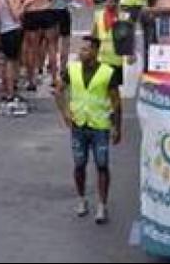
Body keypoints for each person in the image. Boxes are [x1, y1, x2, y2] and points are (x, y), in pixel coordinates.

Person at [55, 37, 121, 225]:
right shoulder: (72, 69)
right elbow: (59, 90)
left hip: (100, 125)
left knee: (102, 164)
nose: (81, 53)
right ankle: (81, 199)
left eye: (85, 50)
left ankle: (102, 204)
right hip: (79, 124)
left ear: (95, 52)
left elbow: (116, 101)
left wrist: (117, 127)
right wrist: (65, 112)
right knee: (79, 164)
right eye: (80, 50)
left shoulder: (108, 72)